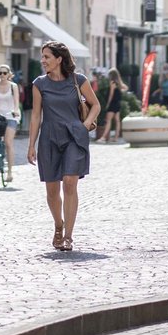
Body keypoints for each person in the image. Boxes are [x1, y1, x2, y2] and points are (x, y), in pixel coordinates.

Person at [27, 40, 101, 252]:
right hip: (49, 137)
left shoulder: (78, 80)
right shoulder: (39, 84)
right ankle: (58, 225)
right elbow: (35, 116)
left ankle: (68, 235)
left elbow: (95, 104)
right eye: (42, 57)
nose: (43, 61)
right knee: (52, 190)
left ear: (59, 59)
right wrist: (31, 144)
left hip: (74, 137)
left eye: (47, 57)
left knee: (69, 182)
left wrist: (85, 125)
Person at [0, 63, 21, 180]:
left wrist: (16, 110)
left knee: (8, 142)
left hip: (11, 116)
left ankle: (10, 172)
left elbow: (16, 102)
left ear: (9, 75)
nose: (1, 75)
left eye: (4, 73)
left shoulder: (13, 86)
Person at [98, 68, 125, 143]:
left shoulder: (112, 82)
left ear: (111, 75)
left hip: (112, 104)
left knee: (108, 121)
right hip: (118, 103)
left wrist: (108, 104)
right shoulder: (119, 83)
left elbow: (111, 94)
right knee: (117, 121)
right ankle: (116, 138)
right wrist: (121, 91)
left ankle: (103, 138)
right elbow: (125, 88)